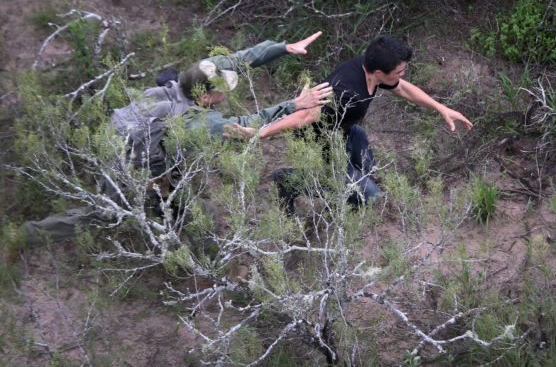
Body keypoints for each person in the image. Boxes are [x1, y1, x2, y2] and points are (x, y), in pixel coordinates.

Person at [22, 33, 332, 246]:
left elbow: (236, 59)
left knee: (187, 201)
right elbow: (245, 127)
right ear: (207, 97)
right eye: (224, 90)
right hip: (129, 168)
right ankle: (29, 235)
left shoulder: (189, 79)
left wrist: (282, 48)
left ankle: (175, 223)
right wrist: (293, 106)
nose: (229, 92)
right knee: (104, 215)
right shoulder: (196, 121)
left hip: (134, 147)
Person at [272, 34, 473, 213]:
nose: (402, 74)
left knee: (367, 168)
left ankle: (343, 195)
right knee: (369, 197)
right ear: (379, 72)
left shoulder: (368, 67)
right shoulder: (346, 92)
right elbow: (304, 117)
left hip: (347, 130)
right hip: (320, 142)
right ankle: (289, 181)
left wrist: (441, 108)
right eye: (399, 71)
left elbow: (402, 88)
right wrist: (260, 133)